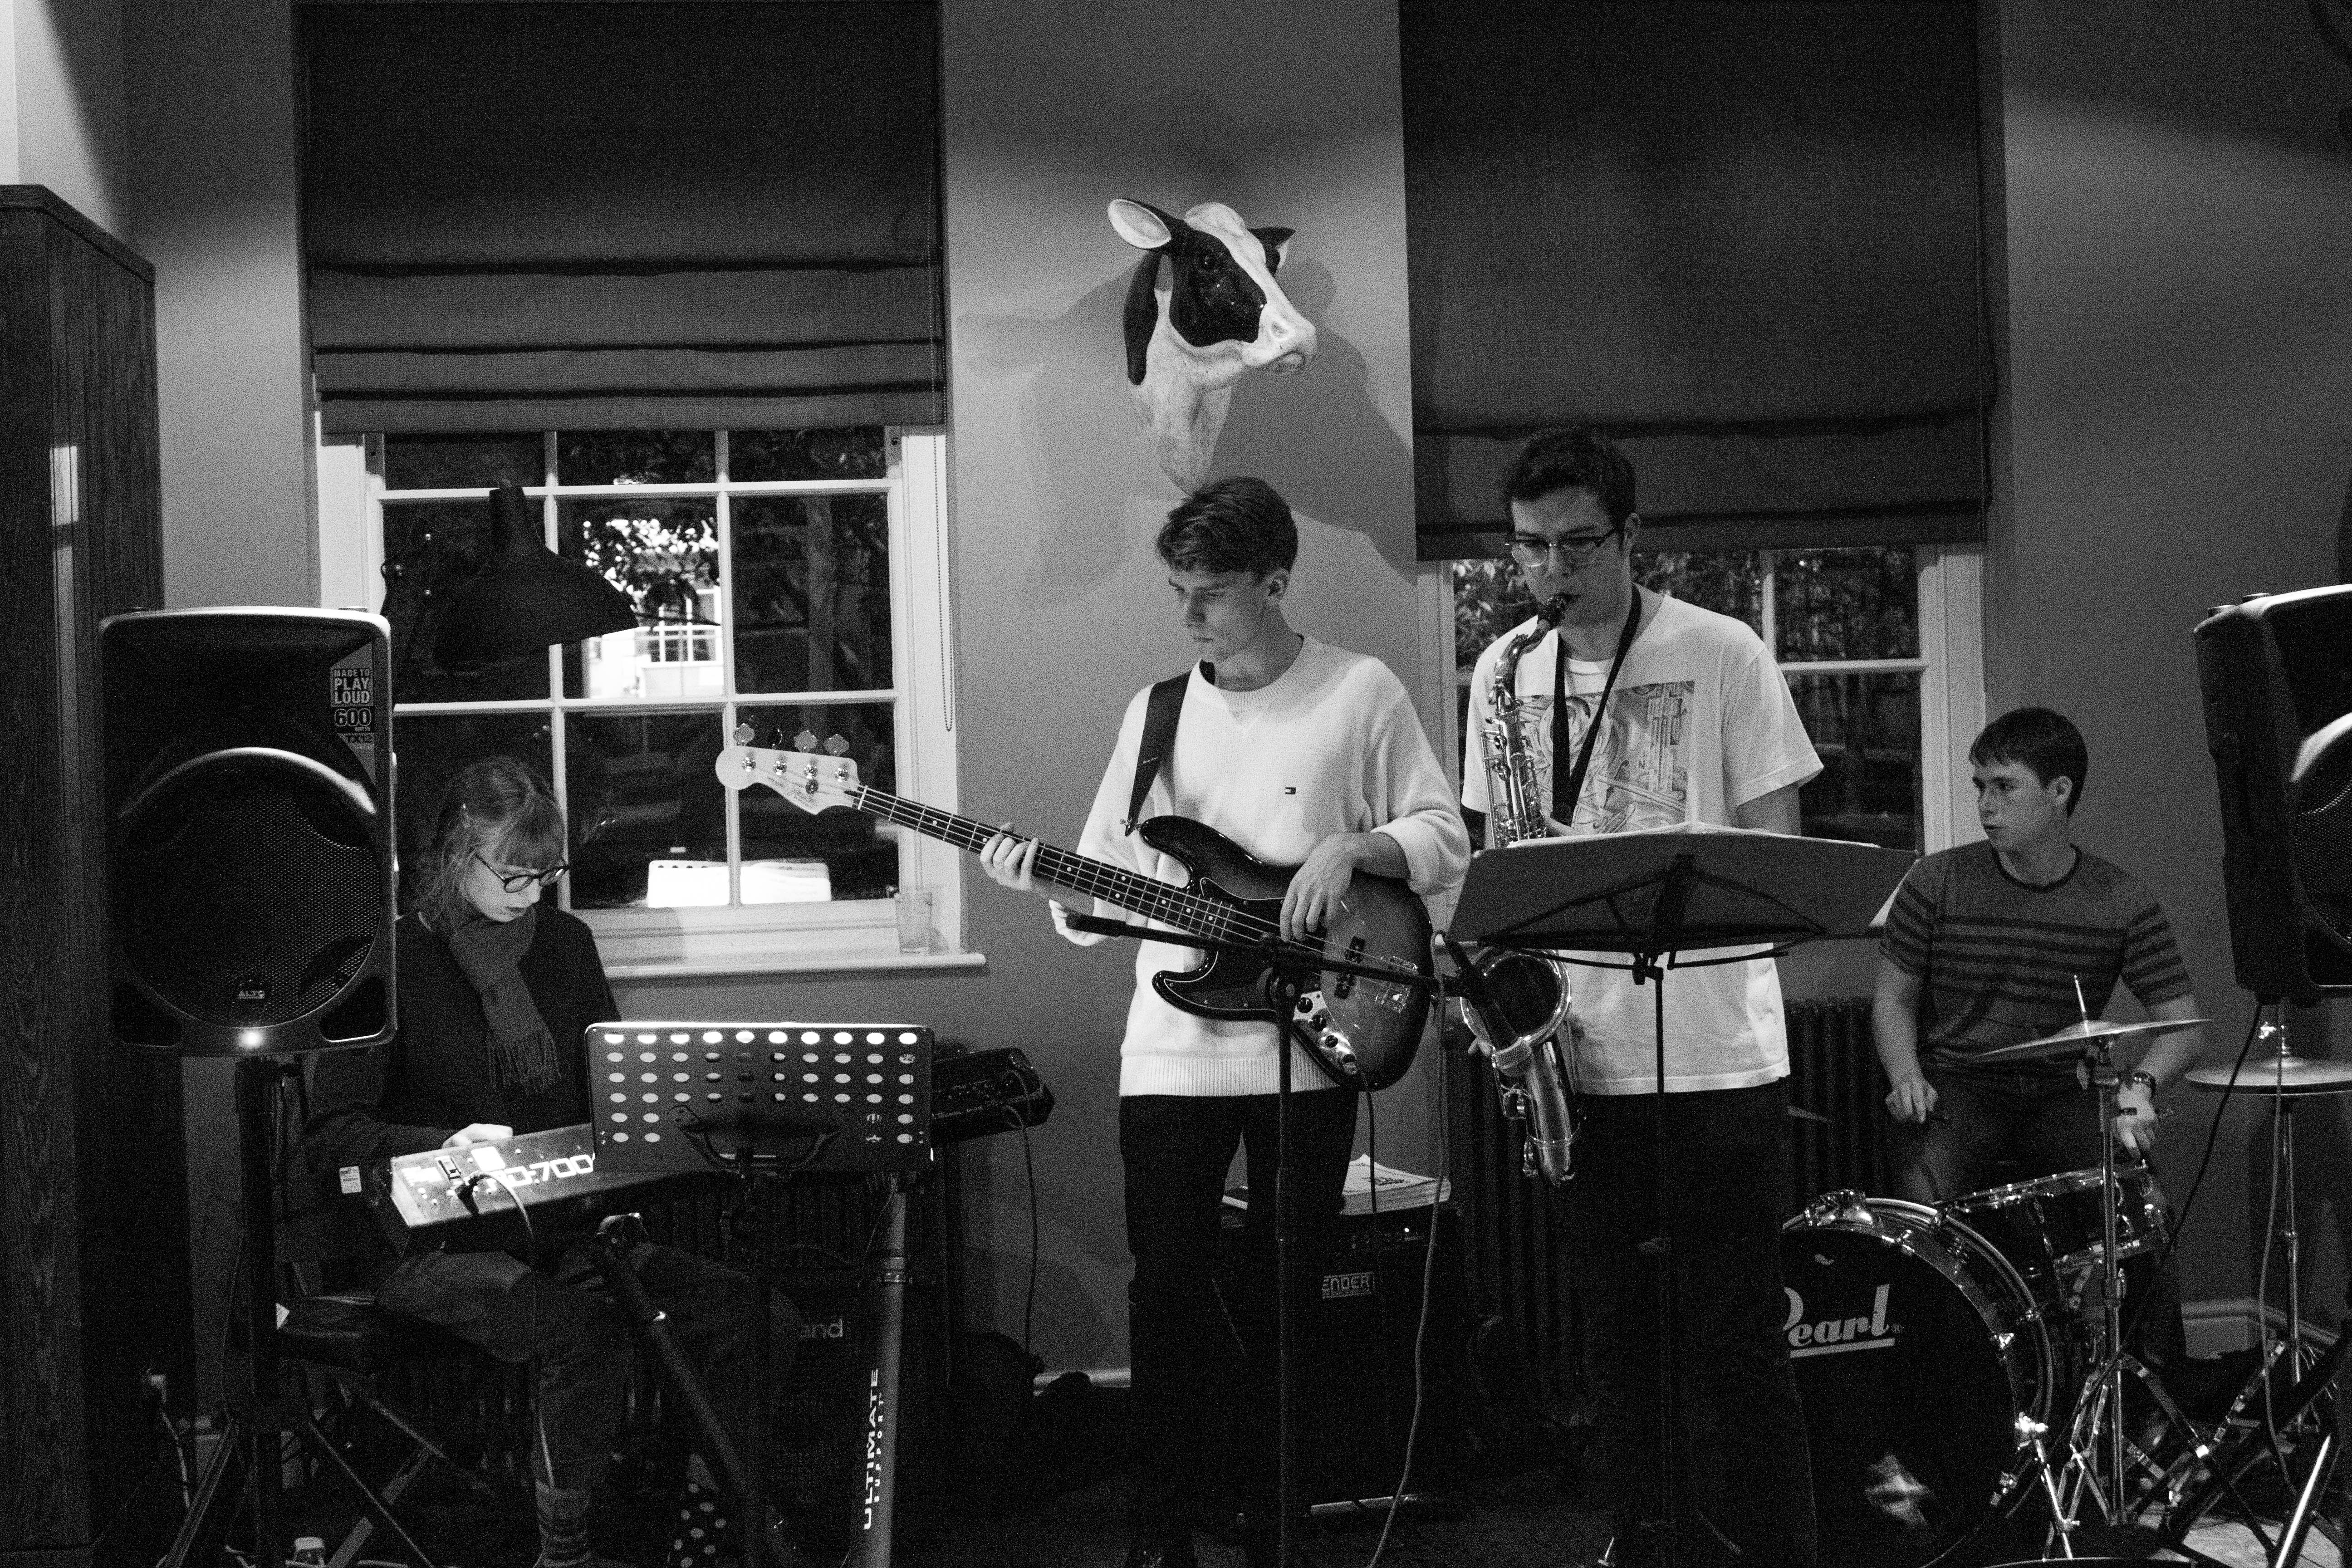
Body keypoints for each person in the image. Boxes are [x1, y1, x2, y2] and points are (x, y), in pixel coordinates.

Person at [978, 477, 1470, 1568]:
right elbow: (1106, 878)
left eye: (1209, 592)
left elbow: (1444, 836)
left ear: (1276, 583)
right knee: (1166, 1290)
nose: (1188, 614)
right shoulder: (1155, 713)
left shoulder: (1360, 692)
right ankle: (1163, 1531)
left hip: (1314, 1036)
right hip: (1173, 1045)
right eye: (1177, 591)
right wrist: (1045, 883)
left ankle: (1273, 1518)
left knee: (1288, 1294)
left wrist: (1356, 848)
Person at [1459, 427, 1823, 1568]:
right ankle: (1644, 1542)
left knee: (1740, 1344)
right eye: (1530, 548)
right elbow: (1501, 867)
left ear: (1631, 537)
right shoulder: (1503, 670)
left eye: (1577, 544)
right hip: (1579, 1058)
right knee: (1616, 1344)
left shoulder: (1722, 651)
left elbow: (1777, 853)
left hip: (1718, 1054)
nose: (1550, 571)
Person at [303, 756, 785, 1568]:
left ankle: (708, 1519)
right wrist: (439, 1146)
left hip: (562, 1230)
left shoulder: (566, 946)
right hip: (427, 1246)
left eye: (546, 875)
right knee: (587, 1334)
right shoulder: (389, 961)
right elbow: (331, 1137)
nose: (532, 894)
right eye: (514, 875)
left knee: (756, 1317)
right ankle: (565, 1552)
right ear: (458, 853)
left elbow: (608, 1094)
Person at [1873, 707, 2204, 1364]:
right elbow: (1894, 999)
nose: (1986, 806)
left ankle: (2151, 1389)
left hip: (2063, 1088)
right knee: (1920, 1209)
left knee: (2138, 1211)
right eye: (1980, 787)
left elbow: (2183, 1024)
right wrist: (1905, 1074)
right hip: (1960, 1082)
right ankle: (1946, 1380)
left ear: (2059, 792)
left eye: (2004, 786)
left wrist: (2139, 1087)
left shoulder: (2119, 899)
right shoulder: (1937, 881)